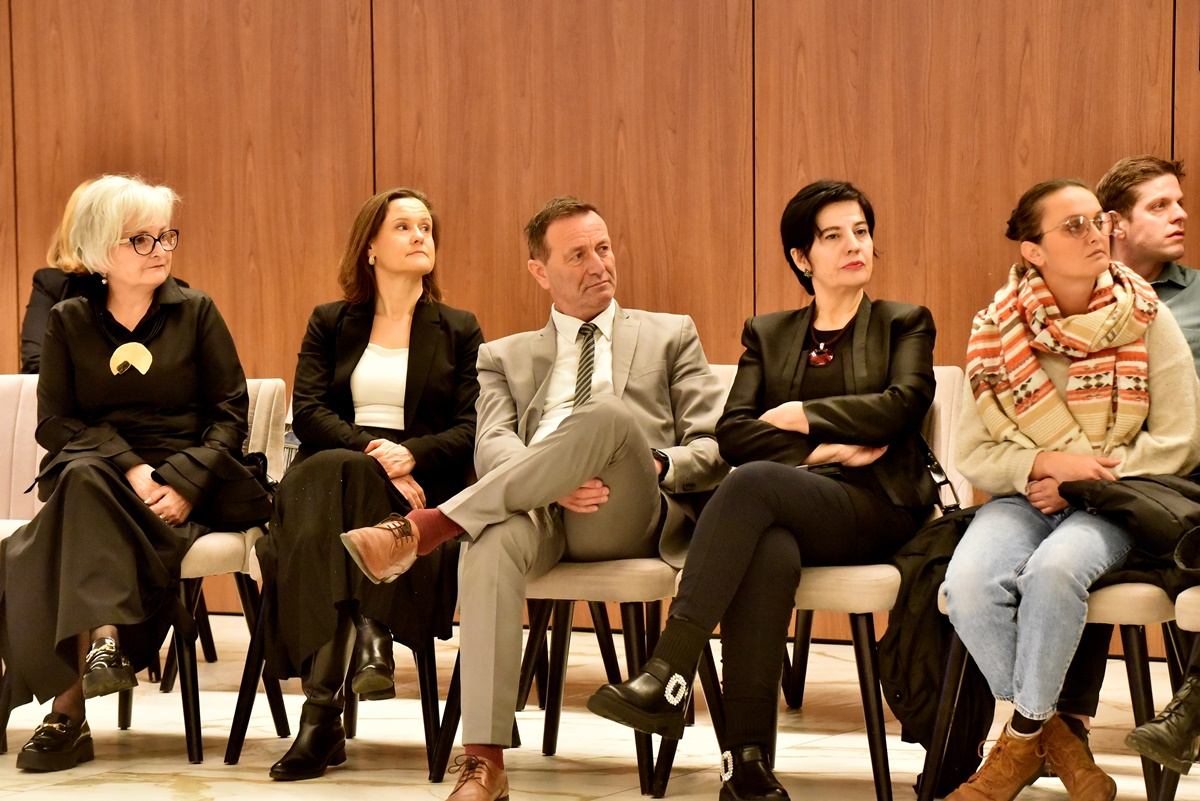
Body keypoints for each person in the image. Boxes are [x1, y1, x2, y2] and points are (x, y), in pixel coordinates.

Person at [339, 196, 729, 800]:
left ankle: (430, 525)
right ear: (539, 271)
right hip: (540, 511)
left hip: (627, 506)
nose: (598, 264)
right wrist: (552, 479)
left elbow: (712, 447)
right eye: (577, 255)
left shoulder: (670, 334)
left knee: (605, 414)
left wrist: (656, 462)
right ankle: (485, 762)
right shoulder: (503, 356)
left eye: (603, 248)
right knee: (489, 544)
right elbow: (492, 443)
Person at [585, 180, 939, 801]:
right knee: (767, 547)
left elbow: (900, 407)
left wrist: (800, 415)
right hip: (790, 506)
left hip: (877, 507)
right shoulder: (769, 333)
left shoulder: (904, 323)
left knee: (752, 486)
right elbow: (735, 433)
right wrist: (826, 450)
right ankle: (745, 766)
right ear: (802, 257)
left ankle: (669, 668)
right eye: (834, 236)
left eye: (861, 232)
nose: (854, 245)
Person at [0, 174, 271, 772]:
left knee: (62, 519)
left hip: (182, 485)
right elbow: (56, 424)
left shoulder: (196, 311)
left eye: (166, 236)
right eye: (141, 240)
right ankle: (101, 644)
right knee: (82, 479)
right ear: (101, 250)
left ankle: (69, 711)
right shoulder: (70, 319)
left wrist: (182, 484)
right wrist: (132, 467)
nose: (160, 250)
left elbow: (230, 414)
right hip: (102, 473)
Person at [942, 178, 1200, 801]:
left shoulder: (1145, 315)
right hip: (1026, 496)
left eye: (1098, 221)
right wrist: (1044, 463)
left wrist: (1081, 476)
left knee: (1054, 573)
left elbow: (1178, 441)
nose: (1095, 234)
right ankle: (1054, 740)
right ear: (1033, 250)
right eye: (1074, 226)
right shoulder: (996, 330)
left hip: (1116, 500)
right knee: (968, 587)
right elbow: (973, 453)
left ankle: (1016, 744)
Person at [255, 188, 483, 781]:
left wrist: (411, 455)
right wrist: (376, 454)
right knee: (343, 471)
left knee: (333, 515)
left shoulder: (458, 329)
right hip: (330, 471)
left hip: (416, 489)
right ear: (370, 248)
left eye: (426, 226)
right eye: (403, 226)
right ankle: (370, 628)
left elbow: (471, 426)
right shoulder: (331, 322)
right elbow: (308, 411)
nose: (419, 235)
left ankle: (320, 719)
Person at [1055, 156, 1199, 772]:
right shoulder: (1067, 296)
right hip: (1094, 481)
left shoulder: (1197, 297)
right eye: (1159, 205)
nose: (1180, 215)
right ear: (1113, 223)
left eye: (1179, 203)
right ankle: (1059, 727)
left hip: (1183, 477)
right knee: (1076, 534)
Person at [20, 180, 188, 374]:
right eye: (140, 239)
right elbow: (36, 366)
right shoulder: (63, 302)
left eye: (162, 235)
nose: (159, 251)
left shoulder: (184, 299)